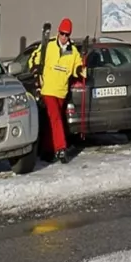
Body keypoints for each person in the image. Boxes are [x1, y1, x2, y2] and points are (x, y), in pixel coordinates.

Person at [27, 18, 85, 163]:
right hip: (47, 89)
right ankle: (61, 148)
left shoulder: (73, 51)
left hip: (61, 91)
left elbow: (78, 67)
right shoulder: (49, 45)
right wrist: (34, 67)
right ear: (58, 32)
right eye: (62, 33)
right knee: (56, 118)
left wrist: (81, 69)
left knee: (51, 120)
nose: (64, 37)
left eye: (67, 34)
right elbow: (34, 57)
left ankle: (47, 150)